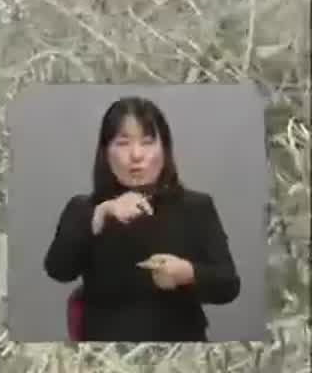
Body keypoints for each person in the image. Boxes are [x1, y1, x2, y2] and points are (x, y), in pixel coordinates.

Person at [43, 95, 241, 342]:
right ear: (105, 152)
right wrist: (100, 215)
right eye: (123, 143)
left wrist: (187, 273)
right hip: (105, 351)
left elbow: (229, 285)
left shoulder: (196, 206)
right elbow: (58, 270)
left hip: (181, 348)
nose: (136, 155)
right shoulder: (84, 208)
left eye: (147, 142)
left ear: (164, 149)